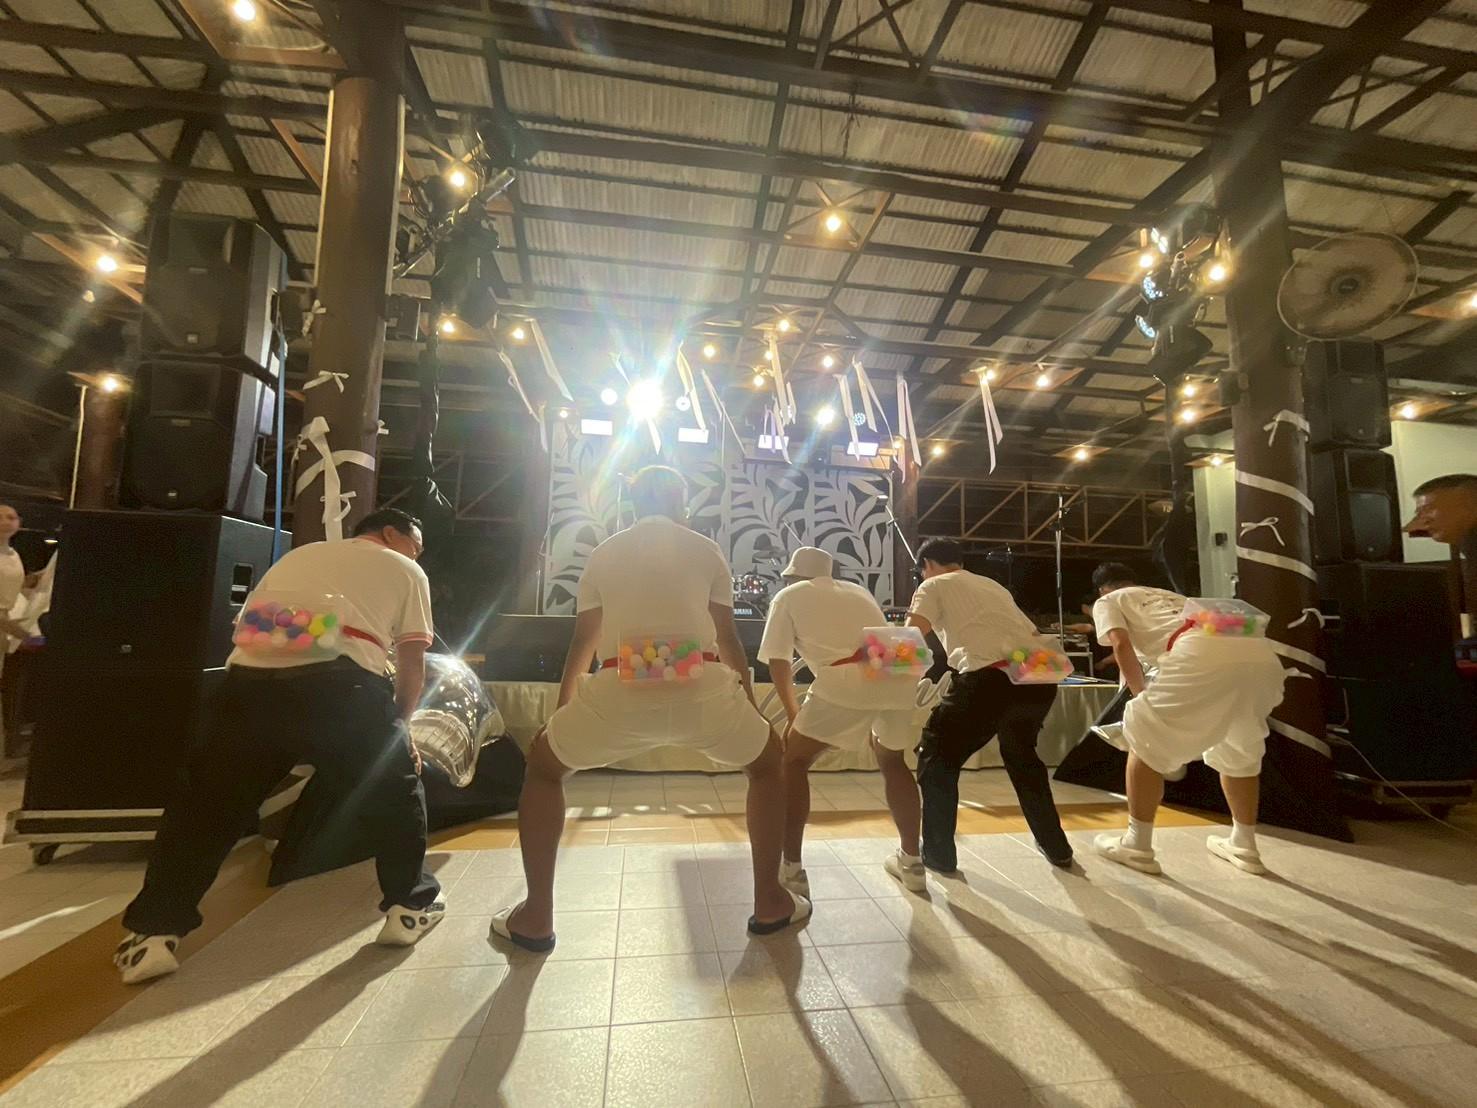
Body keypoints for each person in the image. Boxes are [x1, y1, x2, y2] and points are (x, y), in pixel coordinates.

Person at [115, 508, 444, 984]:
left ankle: (152, 934)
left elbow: (259, 631)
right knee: (393, 795)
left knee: (204, 810)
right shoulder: (405, 569)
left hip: (246, 688)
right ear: (392, 533)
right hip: (343, 688)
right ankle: (410, 907)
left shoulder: (299, 557)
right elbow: (412, 662)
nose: (418, 556)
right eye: (417, 546)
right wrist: (400, 726)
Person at [492, 466, 806, 953]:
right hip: (702, 685)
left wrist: (560, 714)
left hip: (619, 683)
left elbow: (583, 641)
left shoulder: (603, 553)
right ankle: (770, 900)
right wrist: (747, 703)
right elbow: (728, 640)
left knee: (544, 769)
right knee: (767, 764)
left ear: (632, 503)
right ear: (681, 501)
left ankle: (535, 916)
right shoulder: (707, 550)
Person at [1089, 563, 1287, 876]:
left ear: (1103, 589)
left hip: (1201, 649)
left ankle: (1136, 844)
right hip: (1257, 653)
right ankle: (1244, 844)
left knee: (1143, 732)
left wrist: (1139, 695)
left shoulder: (1107, 601)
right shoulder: (1168, 595)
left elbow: (1121, 643)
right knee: (1240, 743)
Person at [760, 546, 926, 894]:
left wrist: (792, 715)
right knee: (893, 760)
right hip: (897, 672)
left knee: (793, 761)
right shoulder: (858, 591)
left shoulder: (788, 596)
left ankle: (792, 870)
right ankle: (912, 863)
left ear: (793, 576)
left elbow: (778, 661)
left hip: (848, 680)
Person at [907, 538, 1073, 871]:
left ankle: (938, 854)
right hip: (1037, 675)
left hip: (988, 676)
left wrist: (877, 677)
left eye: (921, 571)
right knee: (1022, 756)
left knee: (937, 755)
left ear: (927, 565)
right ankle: (1057, 847)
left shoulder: (932, 585)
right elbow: (1028, 632)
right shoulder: (992, 586)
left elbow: (910, 638)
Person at [1403, 474, 1477, 627]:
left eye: (1429, 509)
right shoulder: (1468, 545)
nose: (1423, 520)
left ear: (1470, 506)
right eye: (1419, 512)